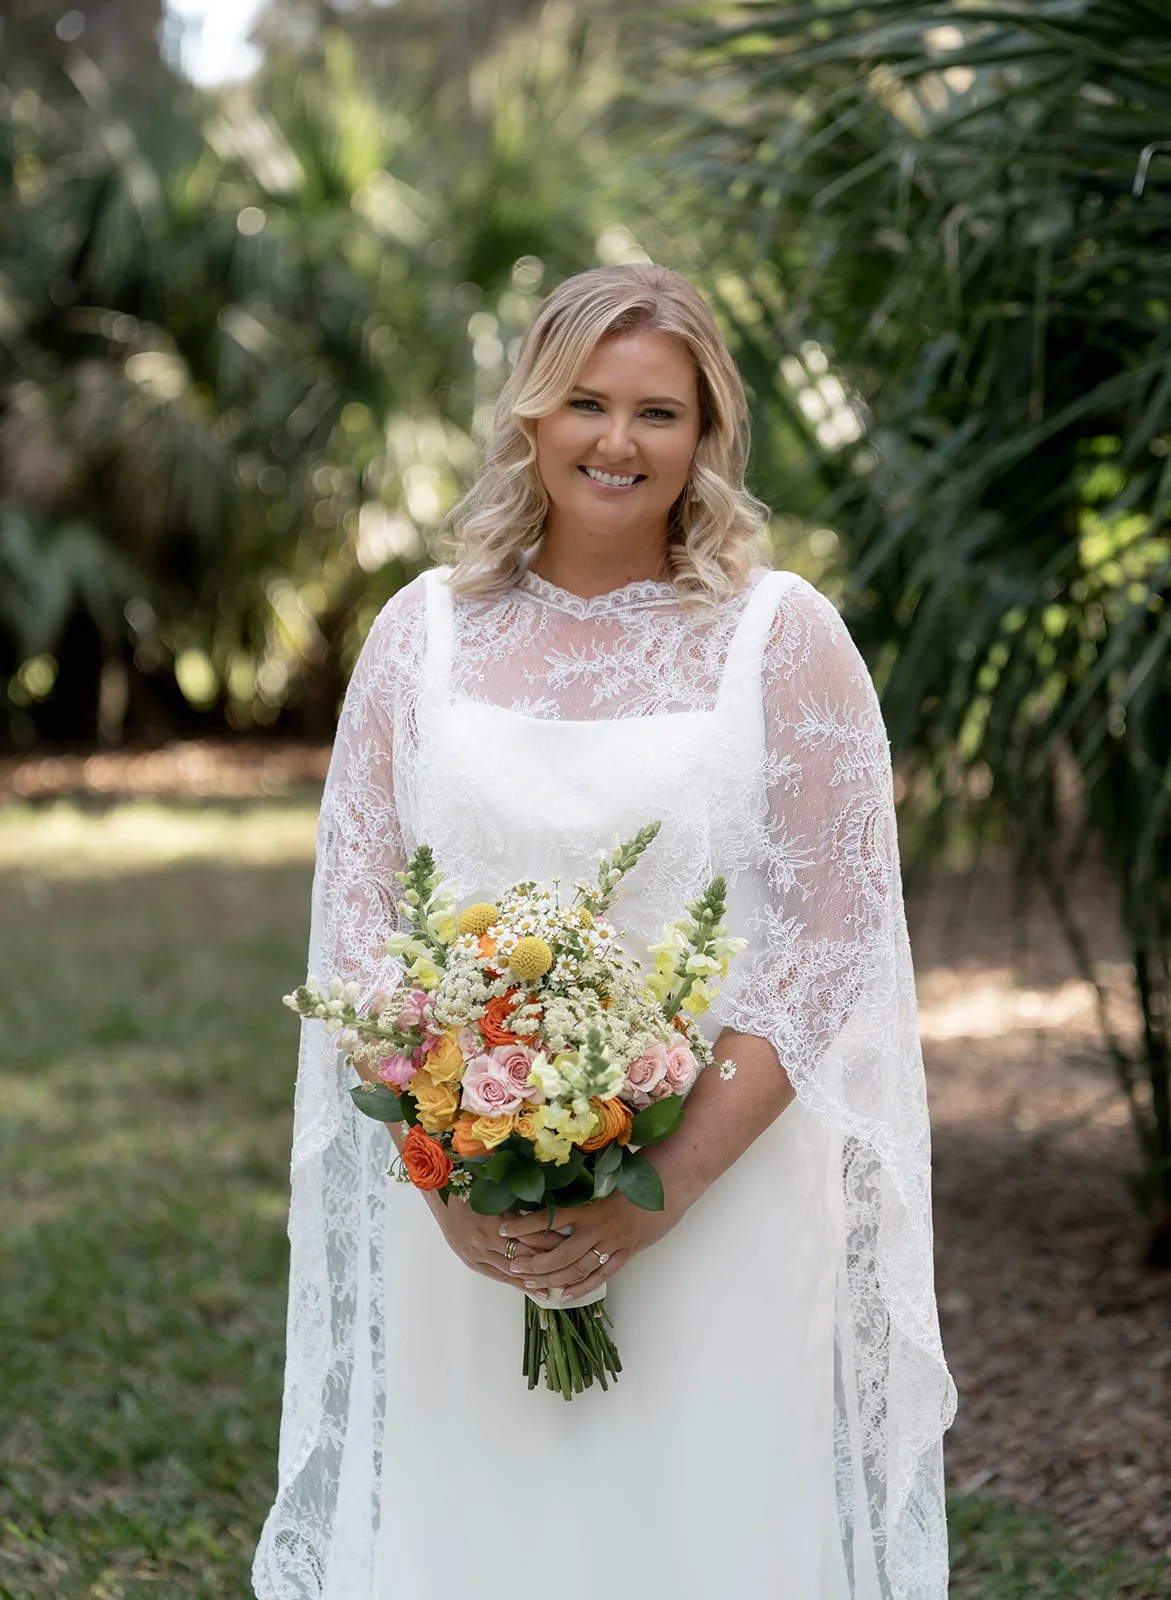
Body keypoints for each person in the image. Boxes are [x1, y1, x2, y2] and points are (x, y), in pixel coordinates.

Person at [253, 263, 956, 1600]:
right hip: (477, 1215)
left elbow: (830, 938)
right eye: (586, 402)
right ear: (531, 412)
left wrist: (658, 1194)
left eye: (658, 413)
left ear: (707, 436)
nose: (617, 442)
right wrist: (448, 1180)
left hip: (723, 1198)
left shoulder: (782, 639)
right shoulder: (418, 637)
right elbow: (356, 934)